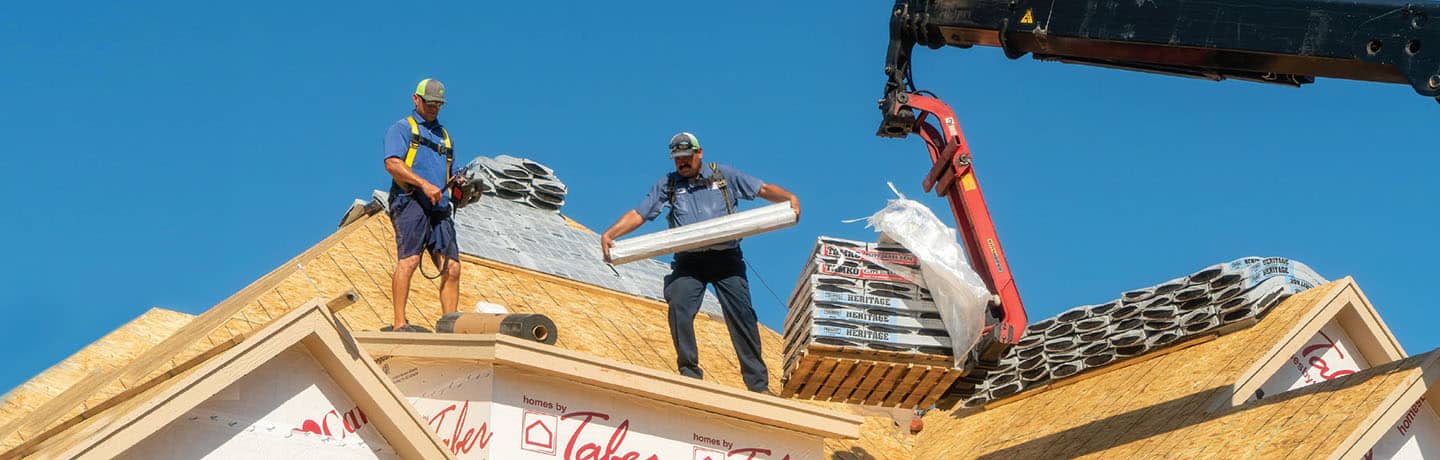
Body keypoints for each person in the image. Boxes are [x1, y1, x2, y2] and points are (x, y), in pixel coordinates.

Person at [600, 132, 800, 393]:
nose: (682, 163)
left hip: (726, 259)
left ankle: (757, 385)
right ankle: (689, 372)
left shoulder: (723, 176)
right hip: (689, 260)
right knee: (679, 302)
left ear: (699, 153)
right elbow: (641, 213)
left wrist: (789, 199)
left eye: (686, 158)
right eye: (677, 159)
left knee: (743, 316)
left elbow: (761, 189)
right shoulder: (669, 185)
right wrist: (611, 233)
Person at [382, 78, 465, 332]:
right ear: (415, 99)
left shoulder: (445, 137)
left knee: (452, 268)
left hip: (439, 207)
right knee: (410, 260)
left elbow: (451, 172)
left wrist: (460, 184)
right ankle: (399, 324)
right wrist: (424, 184)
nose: (434, 108)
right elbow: (392, 164)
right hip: (409, 201)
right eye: (430, 103)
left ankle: (449, 328)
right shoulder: (402, 128)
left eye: (438, 104)